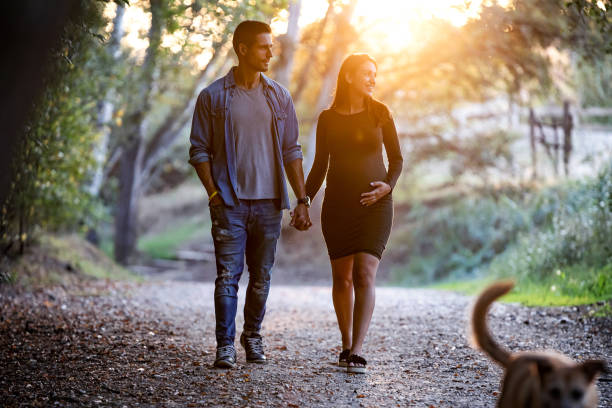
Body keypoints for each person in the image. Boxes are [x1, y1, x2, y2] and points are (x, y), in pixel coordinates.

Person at [188, 20, 311, 369]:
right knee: (228, 276)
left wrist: (301, 200)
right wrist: (213, 192)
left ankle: (252, 336)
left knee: (261, 278)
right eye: (263, 46)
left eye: (271, 46)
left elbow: (292, 150)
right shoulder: (213, 97)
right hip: (229, 203)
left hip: (270, 203)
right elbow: (199, 150)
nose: (271, 52)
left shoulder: (279, 96)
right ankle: (225, 345)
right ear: (242, 49)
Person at [305, 53, 403, 373]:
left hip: (376, 206)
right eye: (366, 73)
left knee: (364, 273)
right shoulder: (328, 119)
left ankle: (358, 350)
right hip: (337, 208)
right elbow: (320, 166)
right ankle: (346, 343)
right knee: (342, 278)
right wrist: (303, 200)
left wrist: (387, 187)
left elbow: (397, 160)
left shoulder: (380, 113)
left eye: (375, 74)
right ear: (348, 76)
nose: (373, 79)